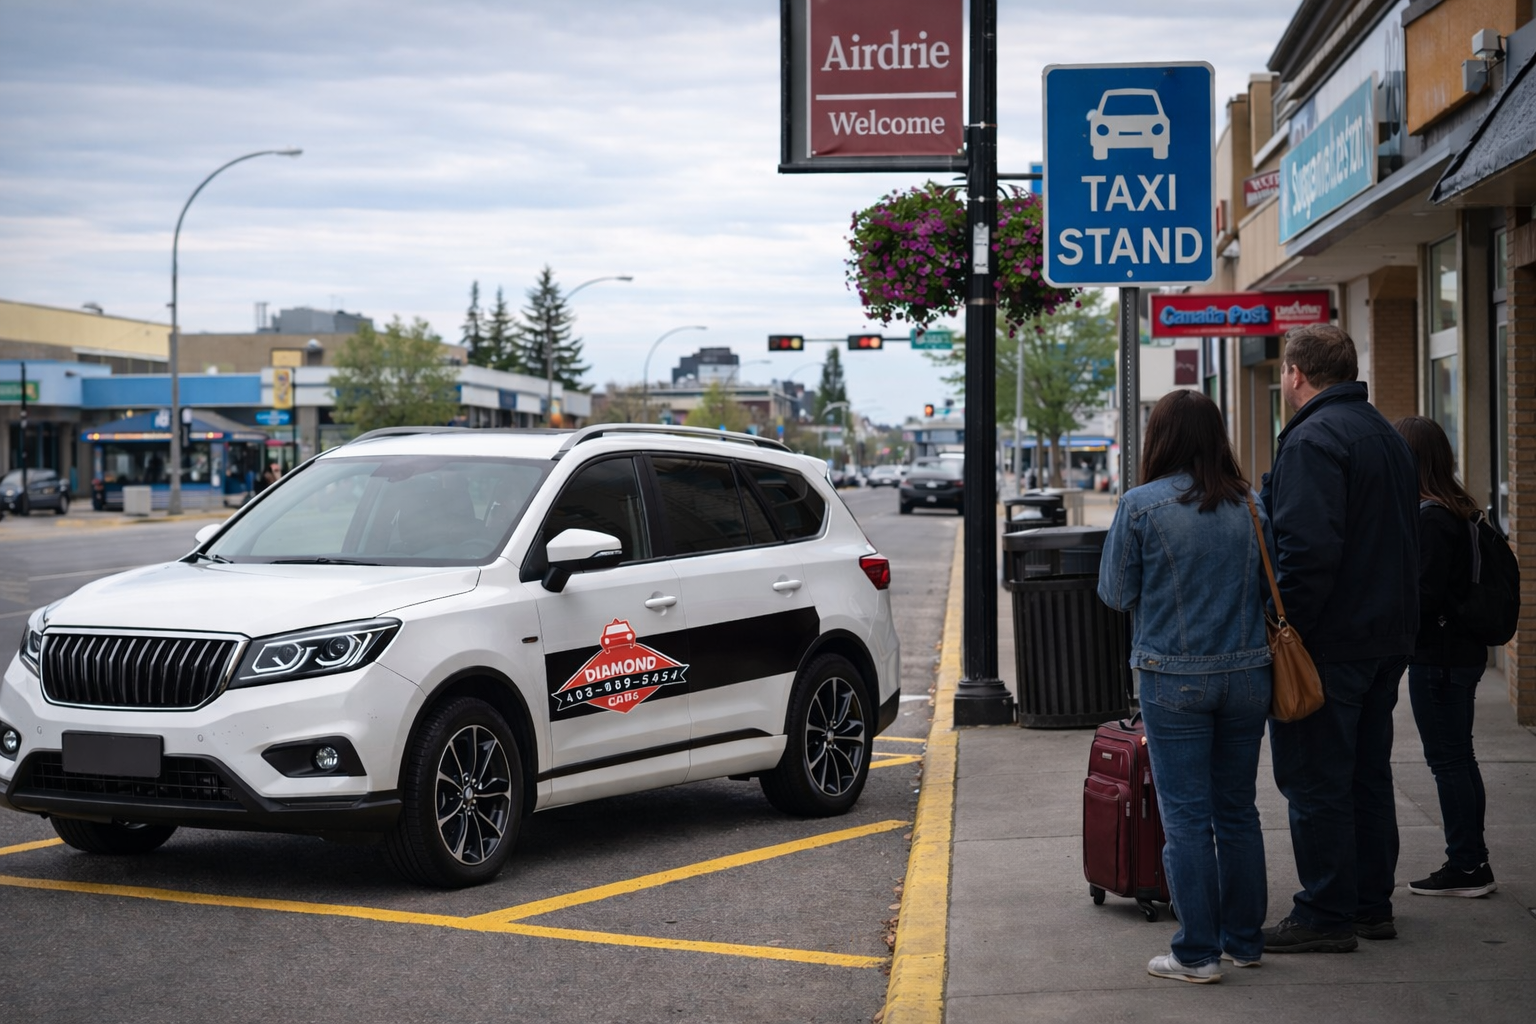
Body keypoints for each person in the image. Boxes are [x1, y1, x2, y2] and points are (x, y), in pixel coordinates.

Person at [1099, 389, 1273, 984]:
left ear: (1161, 438)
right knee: (1238, 811)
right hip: (1249, 673)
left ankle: (1196, 953)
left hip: (1174, 679)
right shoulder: (1250, 503)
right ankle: (1245, 941)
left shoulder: (1141, 505)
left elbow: (1116, 593)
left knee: (1187, 818)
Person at [1260, 323, 1419, 953]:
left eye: (1282, 372)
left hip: (1331, 643)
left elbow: (1305, 552)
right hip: (1387, 637)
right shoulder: (1384, 432)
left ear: (1296, 374)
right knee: (1366, 774)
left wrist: (1285, 631)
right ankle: (1369, 904)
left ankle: (1325, 912)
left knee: (1316, 780)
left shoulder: (1313, 439)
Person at [1393, 415, 1498, 899]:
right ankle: (1471, 860)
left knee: (1449, 760)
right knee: (1458, 756)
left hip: (1441, 657)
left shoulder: (1431, 517)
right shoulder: (1459, 508)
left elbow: (1425, 594)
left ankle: (1468, 864)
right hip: (1459, 653)